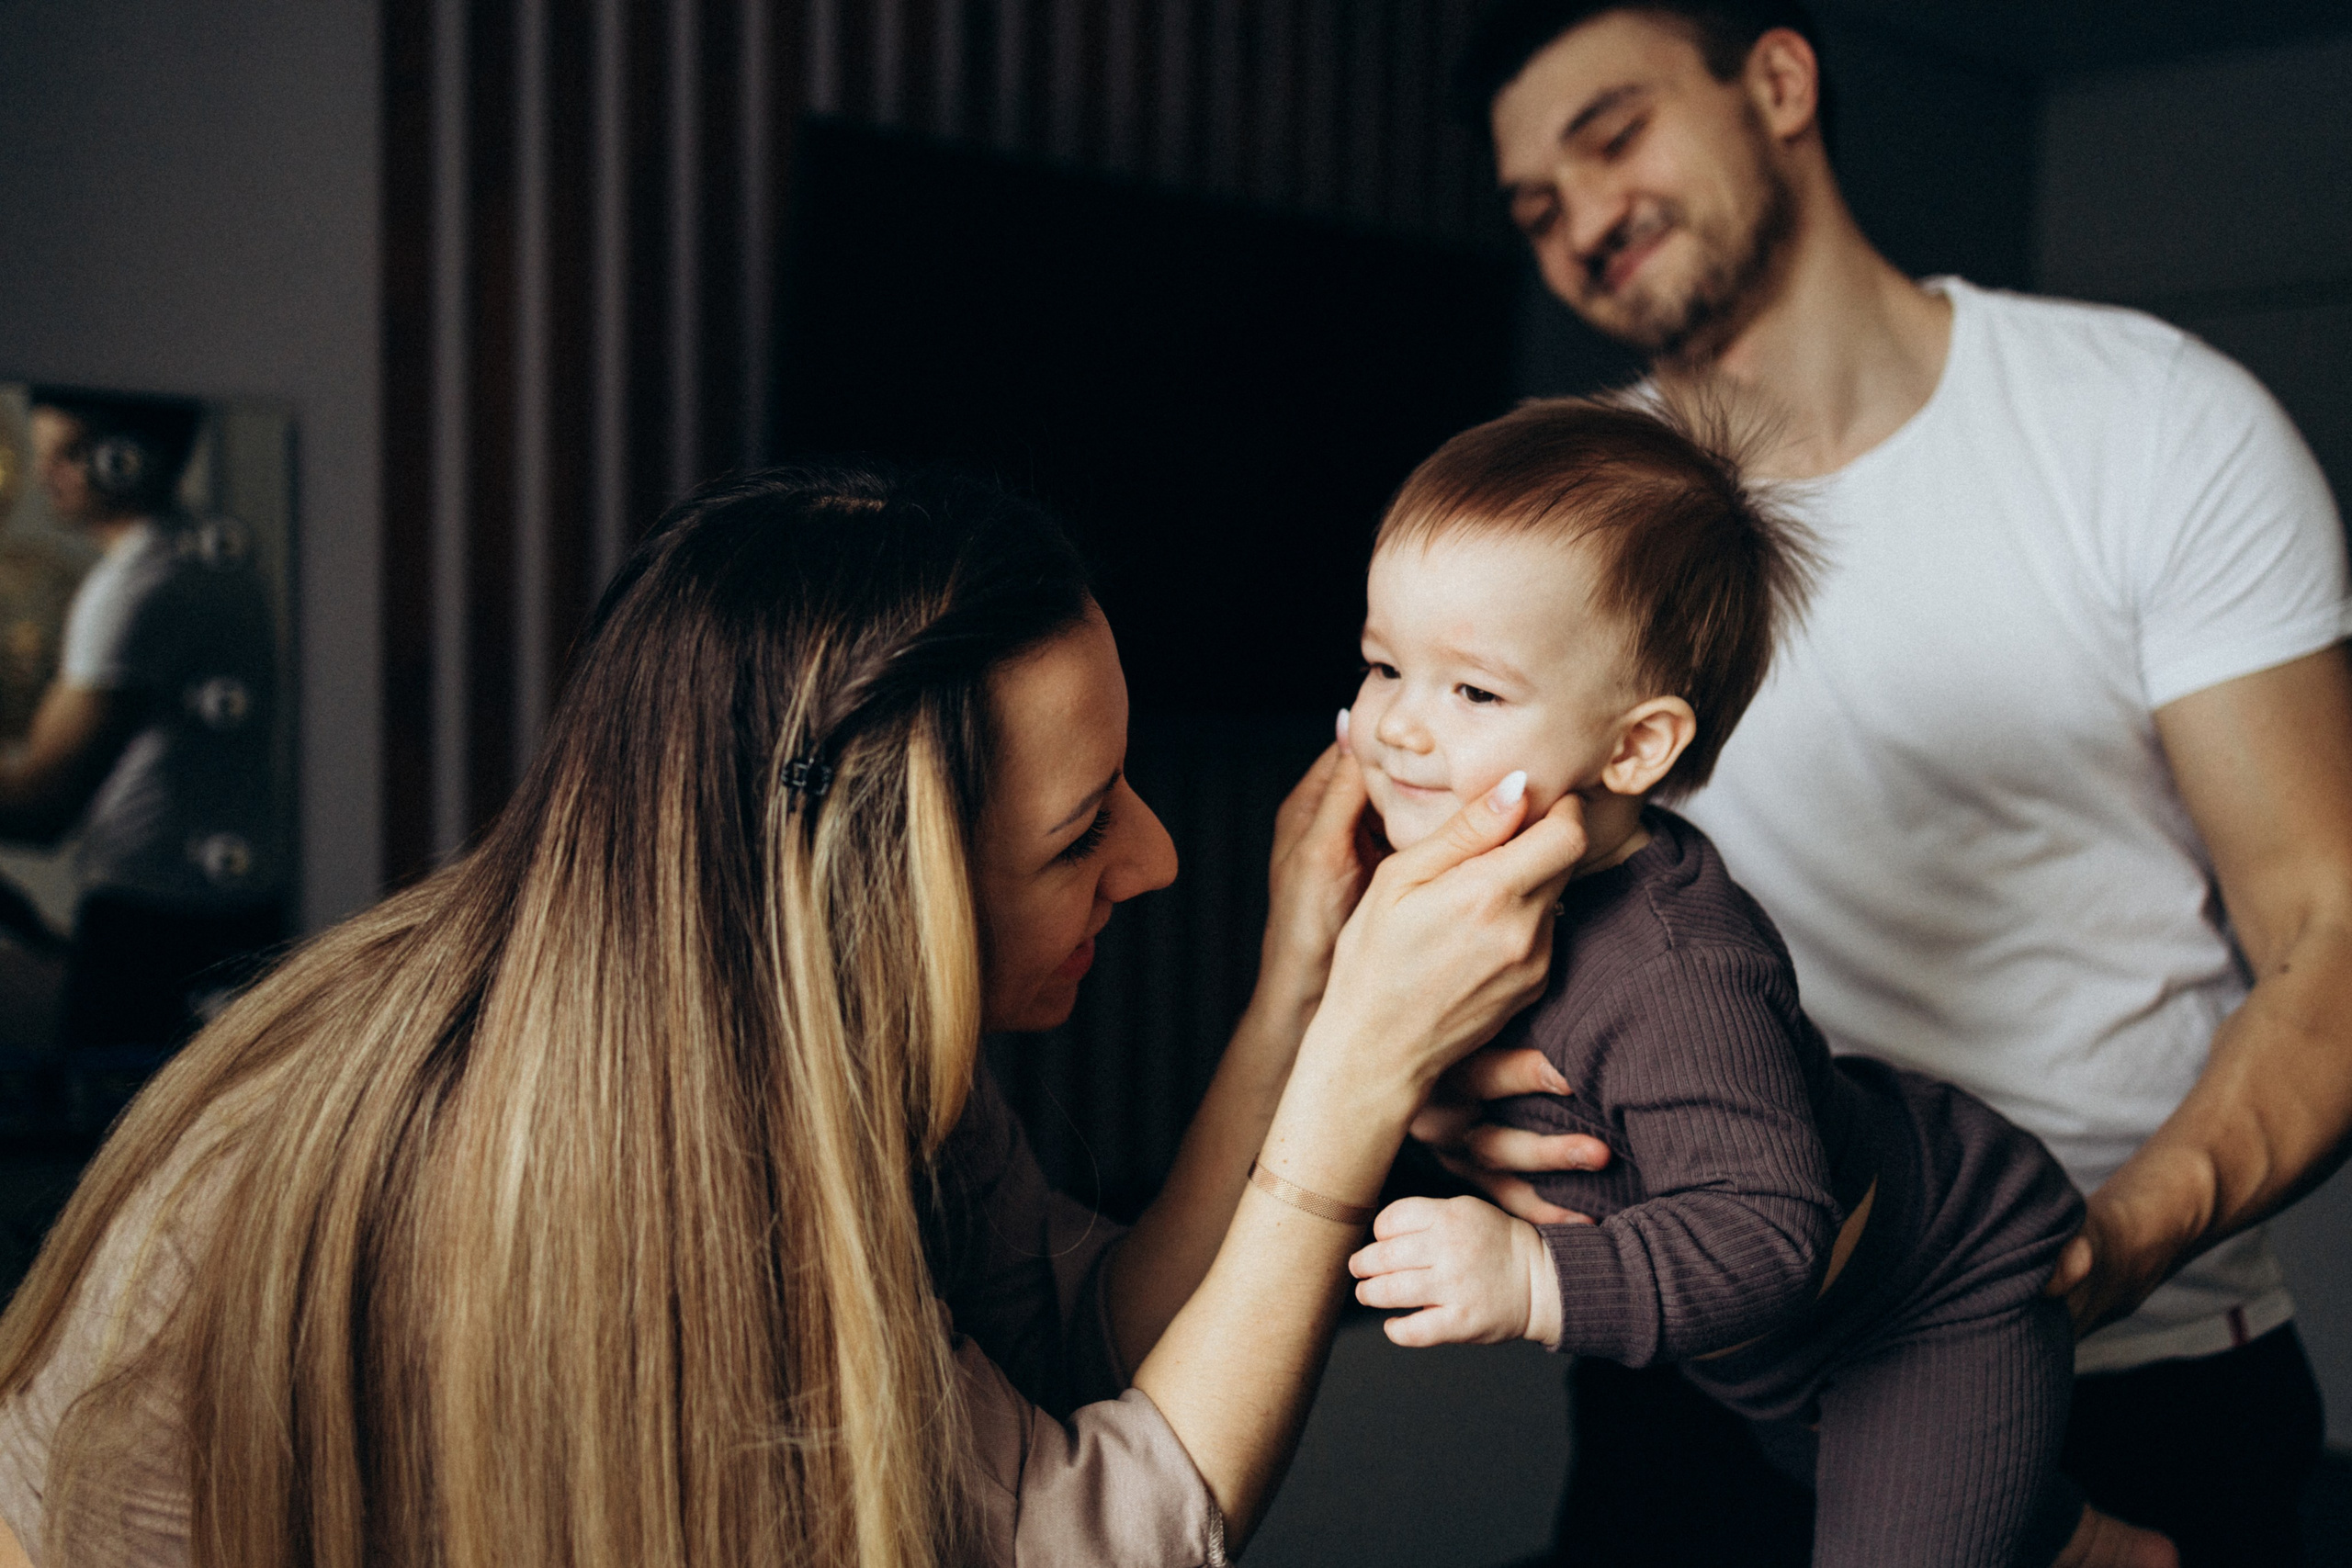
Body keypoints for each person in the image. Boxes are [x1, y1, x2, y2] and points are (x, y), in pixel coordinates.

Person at [0, 464, 1588, 1568]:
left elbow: (1081, 1338)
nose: (1159, 855)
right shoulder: (662, 1179)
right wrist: (1356, 1085)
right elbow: (1108, 1536)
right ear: (877, 898)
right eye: (1081, 823)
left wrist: (1304, 992)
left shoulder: (796, 1016)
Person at [1418, 4, 2352, 1563]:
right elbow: (1452, 902)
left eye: (1614, 135)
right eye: (1534, 207)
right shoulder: (1557, 530)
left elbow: (2330, 930)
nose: (1580, 223)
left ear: (1778, 83)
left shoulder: (2149, 425)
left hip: (2134, 1350)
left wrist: (2124, 1238)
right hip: (1711, 1368)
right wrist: (1447, 1085)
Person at [1342, 395, 2151, 1565]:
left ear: (1635, 748)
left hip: (1916, 1307)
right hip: (1750, 1352)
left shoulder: (1677, 969)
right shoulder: (1463, 877)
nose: (1398, 729)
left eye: (1471, 692)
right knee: (1934, 1503)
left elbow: (1768, 1233)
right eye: (1381, 666)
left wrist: (1528, 1274)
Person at [9, 388, 284, 1051]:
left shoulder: (139, 586)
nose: (49, 474)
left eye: (72, 453)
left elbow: (45, 804)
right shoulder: (207, 560)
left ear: (147, 457)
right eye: (47, 452)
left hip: (156, 924)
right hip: (226, 912)